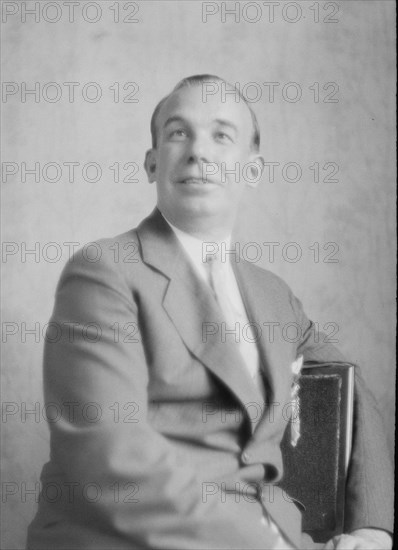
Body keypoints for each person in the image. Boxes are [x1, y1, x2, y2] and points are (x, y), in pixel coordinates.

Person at [27, 75, 393, 550]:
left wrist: (373, 527)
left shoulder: (273, 294)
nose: (198, 151)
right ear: (152, 161)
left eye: (221, 135)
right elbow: (110, 457)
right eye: (178, 132)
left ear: (253, 170)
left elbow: (350, 382)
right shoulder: (103, 272)